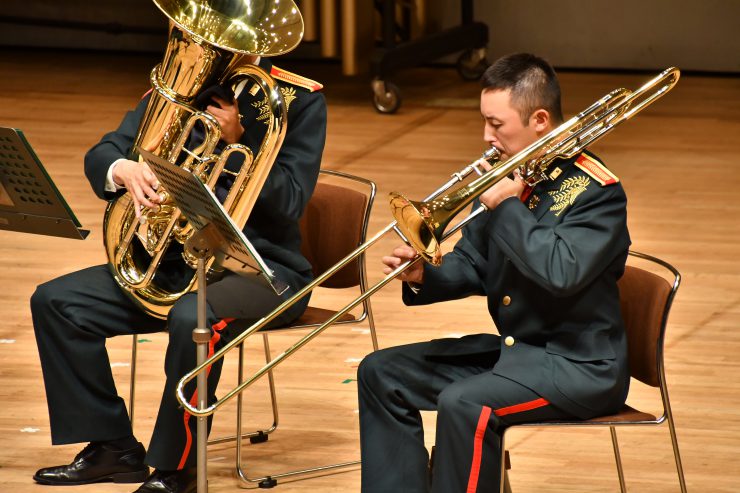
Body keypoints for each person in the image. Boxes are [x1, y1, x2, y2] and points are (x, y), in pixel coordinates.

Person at [30, 54, 326, 493]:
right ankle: (113, 448)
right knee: (57, 303)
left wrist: (238, 140)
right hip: (175, 263)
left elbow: (292, 202)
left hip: (265, 273)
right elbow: (103, 152)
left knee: (193, 318)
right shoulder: (182, 85)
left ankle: (177, 468)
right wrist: (123, 168)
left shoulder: (296, 100)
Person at [357, 53, 631, 493]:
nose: (486, 137)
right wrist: (424, 275)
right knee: (380, 373)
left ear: (539, 119)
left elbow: (560, 273)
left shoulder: (597, 193)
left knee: (465, 404)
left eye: (496, 124)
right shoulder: (512, 176)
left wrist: (505, 206)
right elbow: (473, 262)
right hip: (517, 354)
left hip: (578, 366)